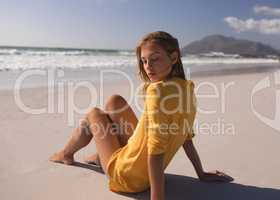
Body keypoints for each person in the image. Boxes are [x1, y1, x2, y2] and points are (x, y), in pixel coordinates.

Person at [49, 31, 233, 200]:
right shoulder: (187, 88)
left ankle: (66, 154)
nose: (148, 67)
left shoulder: (157, 92)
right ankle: (99, 156)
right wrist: (200, 172)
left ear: (174, 57)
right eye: (144, 61)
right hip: (140, 165)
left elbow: (156, 149)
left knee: (94, 114)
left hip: (127, 178)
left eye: (155, 59)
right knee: (115, 101)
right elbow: (186, 136)